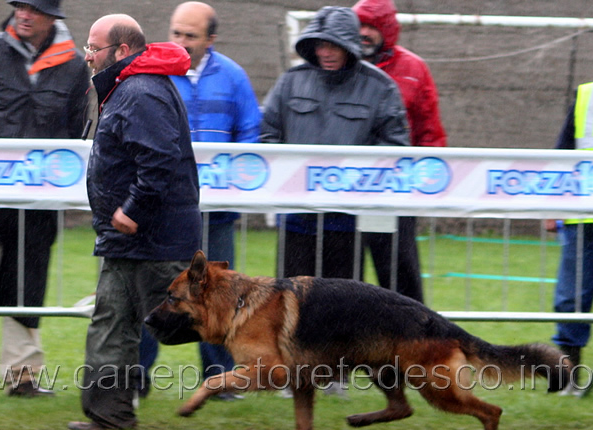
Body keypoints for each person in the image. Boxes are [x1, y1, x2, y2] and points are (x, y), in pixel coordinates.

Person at [67, 14, 201, 430]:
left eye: (94, 48)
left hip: (151, 238)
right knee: (111, 322)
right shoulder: (130, 88)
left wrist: (132, 210)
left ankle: (281, 363)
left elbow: (159, 159)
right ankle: (110, 414)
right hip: (127, 240)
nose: (87, 57)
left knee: (200, 322)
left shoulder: (140, 92)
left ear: (122, 51)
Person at [0, 0, 90, 398]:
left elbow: (75, 129)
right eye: (19, 7)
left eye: (34, 9)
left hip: (37, 196)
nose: (24, 14)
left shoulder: (73, 65)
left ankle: (24, 373)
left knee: (28, 282)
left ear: (52, 17)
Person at [136, 1, 260, 401]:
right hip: (164, 210)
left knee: (218, 297)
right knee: (158, 292)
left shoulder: (235, 77)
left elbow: (252, 136)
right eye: (176, 33)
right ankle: (136, 377)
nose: (182, 42)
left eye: (191, 36)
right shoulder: (151, 72)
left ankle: (221, 380)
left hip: (216, 211)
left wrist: (235, 183)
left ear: (211, 39)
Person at [261, 6, 409, 281]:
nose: (325, 53)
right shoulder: (290, 82)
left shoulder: (380, 87)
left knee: (343, 309)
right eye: (320, 45)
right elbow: (267, 133)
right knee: (289, 303)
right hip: (296, 217)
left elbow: (394, 148)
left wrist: (354, 178)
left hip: (346, 222)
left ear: (349, 46)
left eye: (333, 46)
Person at [353, 0, 447, 303]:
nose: (364, 33)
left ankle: (415, 344)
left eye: (372, 27)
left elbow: (429, 130)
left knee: (399, 277)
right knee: (342, 282)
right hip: (341, 188)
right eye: (359, 25)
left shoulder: (413, 69)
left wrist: (426, 184)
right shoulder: (338, 62)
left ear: (388, 30)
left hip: (394, 192)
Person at [546, 81, 593, 397]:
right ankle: (572, 378)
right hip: (583, 216)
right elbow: (562, 155)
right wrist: (552, 207)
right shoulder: (586, 94)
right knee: (571, 299)